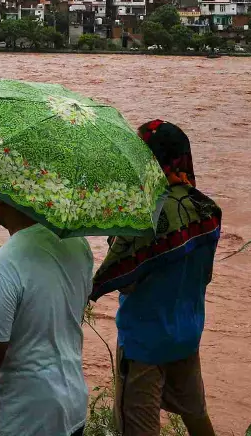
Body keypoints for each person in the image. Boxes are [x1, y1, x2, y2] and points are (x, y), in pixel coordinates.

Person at [90, 120, 220, 436]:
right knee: (197, 416)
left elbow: (126, 279)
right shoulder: (207, 209)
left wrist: (118, 228)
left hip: (145, 343)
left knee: (139, 427)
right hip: (186, 335)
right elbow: (203, 276)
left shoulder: (145, 216)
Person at [0, 196, 93, 436]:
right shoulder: (78, 244)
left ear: (0, 201)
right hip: (74, 404)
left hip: (27, 415)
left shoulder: (3, 264)